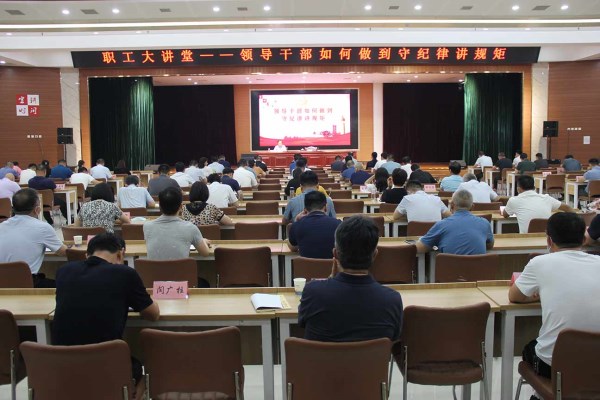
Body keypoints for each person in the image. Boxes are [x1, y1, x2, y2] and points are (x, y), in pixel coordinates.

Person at [53, 233, 160, 394]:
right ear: (121, 254)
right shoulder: (125, 274)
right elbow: (153, 314)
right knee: (146, 376)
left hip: (62, 364)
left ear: (87, 255)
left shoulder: (63, 271)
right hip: (106, 362)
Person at [509, 213, 600, 384]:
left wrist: (540, 297)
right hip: (596, 363)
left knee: (531, 349)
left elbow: (515, 296)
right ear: (583, 239)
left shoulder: (539, 263)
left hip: (556, 365)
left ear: (549, 240)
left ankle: (541, 395)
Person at [298, 215, 403, 342]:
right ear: (375, 255)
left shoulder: (312, 292)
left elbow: (302, 322)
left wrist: (330, 280)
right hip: (371, 357)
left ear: (335, 254)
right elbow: (394, 337)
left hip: (322, 356)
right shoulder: (392, 300)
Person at [0, 188, 66, 287]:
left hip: (2, 283)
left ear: (12, 208)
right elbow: (62, 252)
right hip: (27, 283)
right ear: (37, 210)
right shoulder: (42, 227)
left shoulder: (1, 226)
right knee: (66, 286)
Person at [415, 190, 494, 255]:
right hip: (478, 269)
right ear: (472, 207)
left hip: (449, 269)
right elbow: (489, 245)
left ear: (452, 205)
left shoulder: (441, 225)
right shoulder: (484, 223)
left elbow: (420, 248)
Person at [144, 186, 211, 259]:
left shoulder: (147, 226)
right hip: (181, 267)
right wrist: (203, 241)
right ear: (181, 207)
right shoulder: (190, 228)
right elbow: (205, 253)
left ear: (159, 206)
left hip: (154, 267)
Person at [503, 175, 575, 233]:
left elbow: (505, 215)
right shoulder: (546, 198)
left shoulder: (514, 200)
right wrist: (575, 223)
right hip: (547, 238)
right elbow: (568, 208)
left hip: (526, 239)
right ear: (534, 187)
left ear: (518, 189)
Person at [287, 191, 341, 259]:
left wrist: (296, 221)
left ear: (305, 209)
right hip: (331, 265)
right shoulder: (339, 225)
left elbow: (293, 248)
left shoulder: (297, 225)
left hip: (306, 266)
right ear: (326, 207)